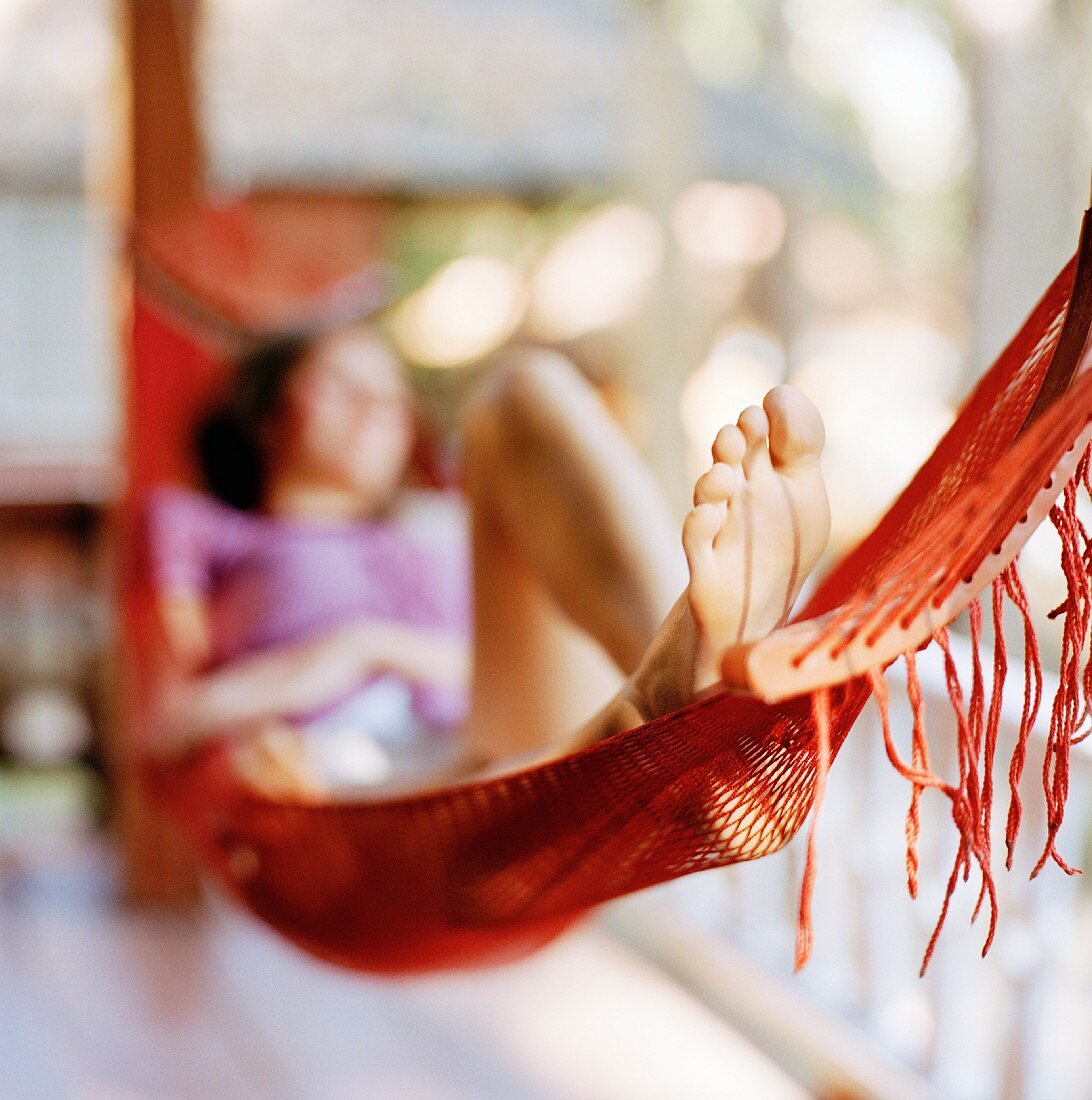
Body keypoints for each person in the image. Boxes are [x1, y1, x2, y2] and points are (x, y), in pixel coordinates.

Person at [147, 320, 830, 797]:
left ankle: (684, 683)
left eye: (390, 397)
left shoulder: (439, 530)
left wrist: (376, 647)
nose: (375, 410)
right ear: (267, 413)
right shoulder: (211, 530)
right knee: (502, 770)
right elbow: (162, 724)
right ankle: (684, 710)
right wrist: (348, 659)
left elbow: (498, 662)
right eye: (341, 386)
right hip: (362, 785)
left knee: (518, 393)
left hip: (507, 740)